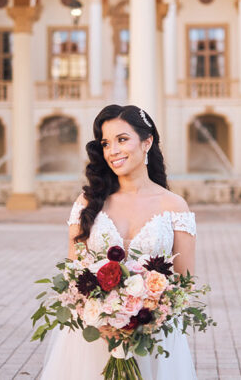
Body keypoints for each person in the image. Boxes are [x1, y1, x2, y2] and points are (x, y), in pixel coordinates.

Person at [41, 104, 197, 379]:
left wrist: (145, 318)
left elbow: (184, 282)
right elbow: (73, 273)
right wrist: (101, 318)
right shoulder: (88, 203)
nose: (113, 150)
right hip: (93, 338)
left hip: (152, 338)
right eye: (105, 143)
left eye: (122, 139)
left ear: (147, 142)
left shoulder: (174, 206)